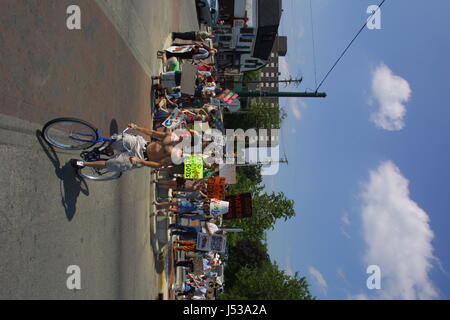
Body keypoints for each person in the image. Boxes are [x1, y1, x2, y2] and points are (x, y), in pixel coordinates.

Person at [70, 123, 178, 171]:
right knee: (117, 138)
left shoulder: (175, 156)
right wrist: (137, 127)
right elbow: (153, 133)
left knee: (113, 163)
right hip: (140, 143)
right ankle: (108, 149)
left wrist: (140, 161)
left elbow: (158, 165)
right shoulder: (171, 137)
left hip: (140, 157)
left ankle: (83, 164)